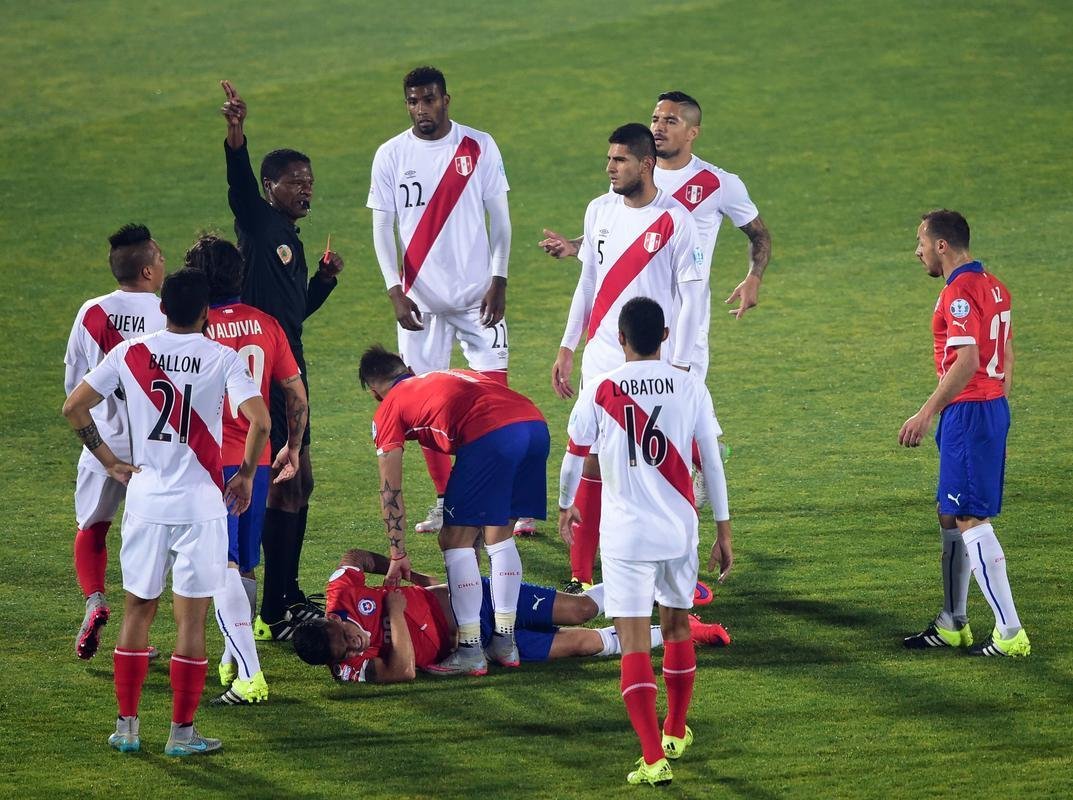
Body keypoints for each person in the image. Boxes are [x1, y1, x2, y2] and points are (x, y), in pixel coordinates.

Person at [62, 268, 270, 756]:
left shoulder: (130, 353)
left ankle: (127, 728)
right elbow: (259, 419)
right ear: (206, 314)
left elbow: (74, 407)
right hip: (201, 505)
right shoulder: (221, 357)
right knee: (190, 623)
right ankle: (181, 734)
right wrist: (242, 476)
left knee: (138, 610)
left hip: (146, 500)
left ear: (163, 309)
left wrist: (109, 461)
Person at [562, 296, 733, 787]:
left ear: (620, 339)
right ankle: (676, 730)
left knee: (635, 642)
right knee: (678, 629)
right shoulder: (690, 385)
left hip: (626, 538)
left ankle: (653, 757)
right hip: (680, 531)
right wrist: (724, 529)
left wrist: (564, 502)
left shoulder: (599, 388)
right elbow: (712, 462)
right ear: (664, 337)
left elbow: (574, 456)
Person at [367, 66, 527, 536]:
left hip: (480, 297)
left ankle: (502, 499)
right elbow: (381, 227)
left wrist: (500, 278)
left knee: (496, 397)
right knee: (425, 407)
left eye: (429, 100)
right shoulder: (391, 155)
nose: (422, 110)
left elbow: (501, 220)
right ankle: (446, 502)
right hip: (420, 302)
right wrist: (394, 289)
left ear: (446, 99)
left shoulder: (479, 146)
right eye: (413, 102)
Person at [550, 123, 706, 593]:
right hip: (603, 359)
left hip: (655, 363)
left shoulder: (677, 220)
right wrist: (567, 346)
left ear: (646, 164)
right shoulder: (599, 210)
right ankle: (581, 576)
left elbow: (693, 298)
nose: (610, 168)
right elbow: (588, 284)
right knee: (592, 460)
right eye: (609, 159)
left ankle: (682, 573)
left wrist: (677, 364)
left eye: (619, 160)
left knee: (665, 461)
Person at [220, 80, 344, 639]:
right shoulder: (257, 221)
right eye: (295, 182)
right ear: (270, 187)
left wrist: (323, 280)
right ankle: (275, 602)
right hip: (265, 374)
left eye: (309, 182)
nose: (304, 189)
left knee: (300, 482)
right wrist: (237, 134)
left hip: (291, 364)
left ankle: (283, 593)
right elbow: (238, 185)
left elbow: (295, 315)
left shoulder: (289, 239)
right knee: (286, 480)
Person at [358, 346, 549, 676]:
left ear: (375, 392)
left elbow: (390, 490)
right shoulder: (445, 374)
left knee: (453, 540)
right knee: (500, 535)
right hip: (534, 426)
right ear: (407, 369)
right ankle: (505, 643)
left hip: (492, 434)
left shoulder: (389, 406)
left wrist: (397, 552)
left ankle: (471, 650)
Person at [291, 548, 730, 683]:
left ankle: (658, 585)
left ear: (330, 618)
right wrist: (394, 608)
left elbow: (353, 557)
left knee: (580, 609)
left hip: (478, 597)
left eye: (345, 635)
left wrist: (400, 566)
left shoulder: (340, 591)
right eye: (345, 651)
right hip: (474, 643)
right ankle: (682, 631)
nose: (354, 645)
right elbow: (403, 671)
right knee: (581, 643)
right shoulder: (347, 670)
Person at [900, 209, 1030, 657]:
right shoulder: (995, 285)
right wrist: (996, 398)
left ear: (942, 245)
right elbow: (1007, 352)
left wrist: (926, 413)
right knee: (948, 511)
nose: (916, 250)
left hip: (969, 413)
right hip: (988, 408)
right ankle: (953, 621)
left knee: (971, 519)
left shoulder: (958, 292)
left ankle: (1009, 632)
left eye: (921, 241)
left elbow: (968, 360)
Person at [186, 234, 308, 704]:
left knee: (224, 565)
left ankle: (249, 674)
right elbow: (295, 395)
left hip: (212, 464)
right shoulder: (266, 324)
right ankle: (234, 658)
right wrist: (293, 447)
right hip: (256, 458)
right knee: (246, 562)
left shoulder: (192, 328)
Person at [64, 223, 166, 660]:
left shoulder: (92, 312)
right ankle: (137, 635)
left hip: (101, 446)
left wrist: (104, 455)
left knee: (92, 528)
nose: (165, 264)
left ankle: (94, 600)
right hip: (155, 450)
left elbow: (74, 385)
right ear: (146, 271)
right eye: (160, 258)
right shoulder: (168, 314)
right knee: (150, 542)